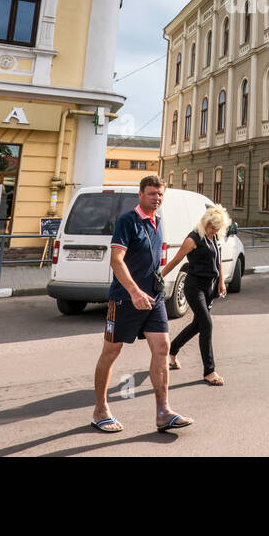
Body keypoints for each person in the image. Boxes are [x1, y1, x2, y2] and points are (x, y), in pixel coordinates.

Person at [90, 176, 192, 435]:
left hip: (153, 299)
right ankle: (100, 410)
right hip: (125, 299)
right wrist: (134, 291)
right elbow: (116, 260)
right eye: (151, 194)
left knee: (163, 347)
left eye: (159, 194)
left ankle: (163, 412)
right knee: (111, 352)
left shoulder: (159, 222)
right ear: (140, 194)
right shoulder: (128, 221)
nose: (156, 198)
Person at [164, 204, 230, 386]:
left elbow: (218, 260)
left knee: (197, 325)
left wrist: (222, 282)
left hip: (210, 287)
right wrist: (160, 277)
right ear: (205, 223)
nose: (214, 230)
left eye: (218, 228)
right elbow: (176, 259)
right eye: (212, 227)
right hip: (194, 287)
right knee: (206, 324)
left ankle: (171, 350)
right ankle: (209, 371)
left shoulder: (214, 237)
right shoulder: (193, 239)